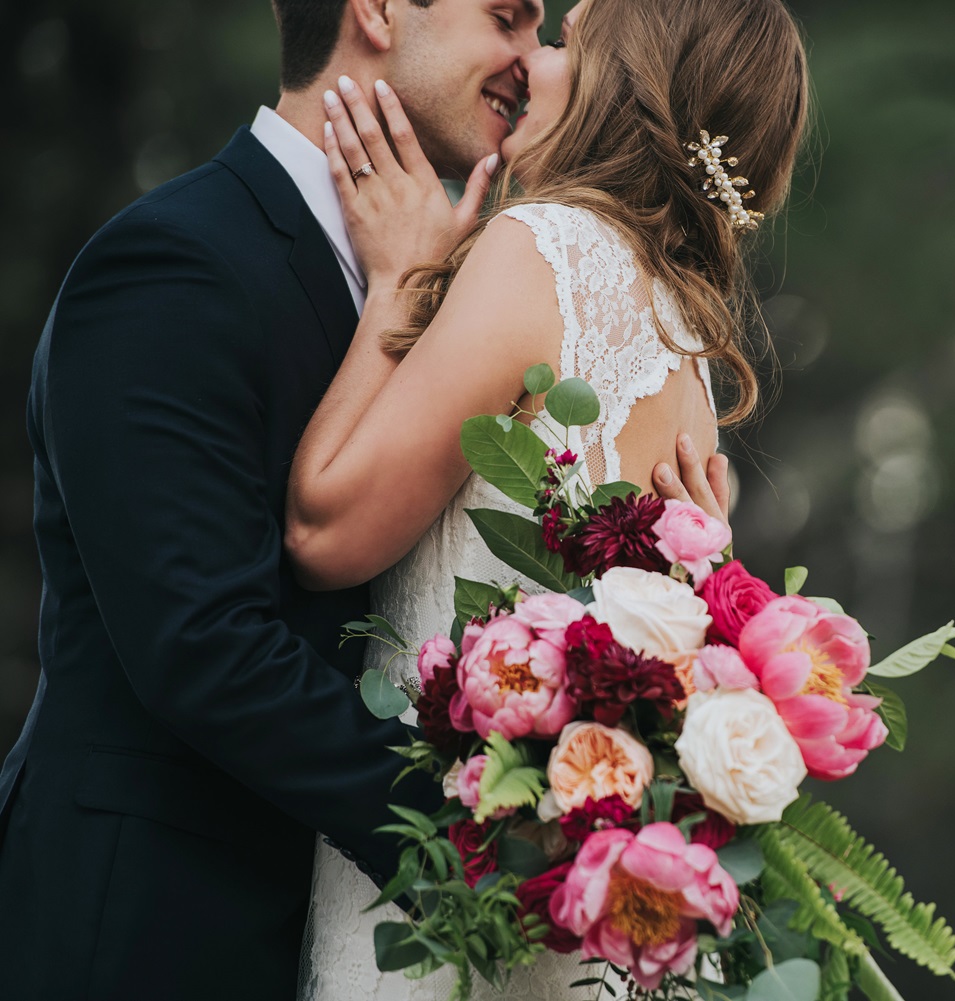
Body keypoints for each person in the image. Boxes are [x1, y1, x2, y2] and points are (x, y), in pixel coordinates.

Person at [0, 0, 723, 998]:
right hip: (157, 929)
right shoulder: (171, 263)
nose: (528, 58)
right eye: (509, 17)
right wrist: (483, 847)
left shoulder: (488, 286)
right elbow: (203, 641)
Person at [285, 0, 809, 995]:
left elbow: (324, 529)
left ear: (625, 86)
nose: (534, 61)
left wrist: (400, 278)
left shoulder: (546, 251)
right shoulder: (686, 348)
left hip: (447, 911)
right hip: (581, 935)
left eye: (568, 40)